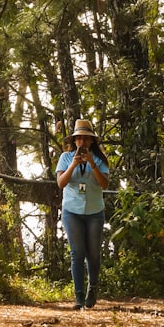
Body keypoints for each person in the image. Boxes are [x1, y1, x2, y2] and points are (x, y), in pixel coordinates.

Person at [56, 118, 110, 310]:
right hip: (72, 211)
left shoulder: (100, 159)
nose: (82, 143)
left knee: (93, 254)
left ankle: (92, 287)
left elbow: (104, 184)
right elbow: (61, 183)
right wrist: (74, 165)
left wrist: (92, 164)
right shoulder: (65, 157)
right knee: (76, 252)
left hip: (95, 211)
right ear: (74, 140)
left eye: (86, 139)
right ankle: (78, 296)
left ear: (92, 141)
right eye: (79, 139)